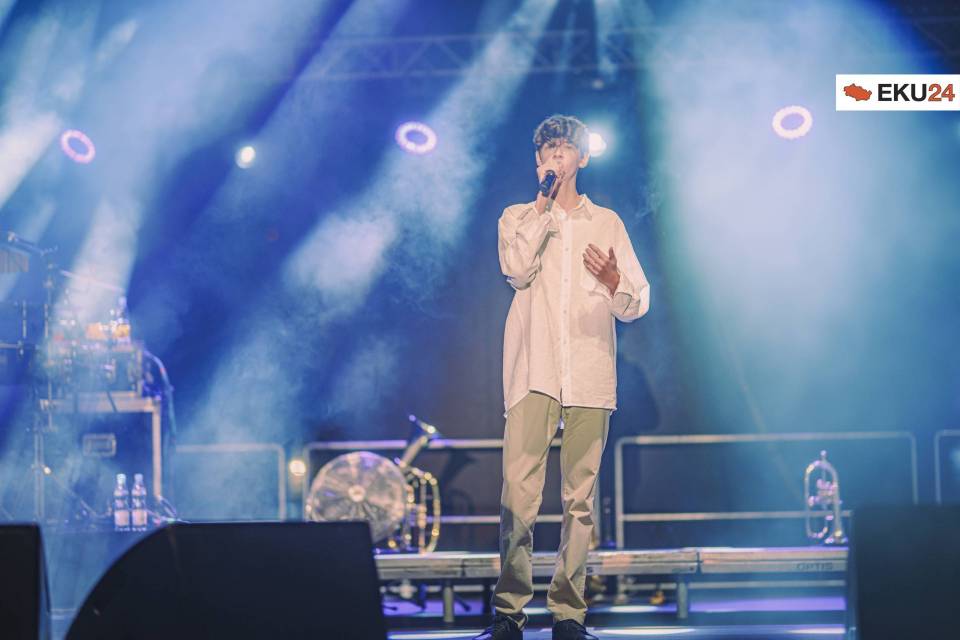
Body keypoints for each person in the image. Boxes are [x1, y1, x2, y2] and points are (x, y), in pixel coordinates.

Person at [474, 115, 650, 640]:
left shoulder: (607, 223)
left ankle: (569, 615)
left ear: (583, 157)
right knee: (517, 496)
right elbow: (517, 271)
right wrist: (543, 207)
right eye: (548, 148)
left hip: (590, 374)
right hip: (534, 371)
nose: (556, 154)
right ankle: (509, 612)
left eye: (565, 147)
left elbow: (637, 301)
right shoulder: (517, 217)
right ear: (538, 161)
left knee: (580, 500)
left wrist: (614, 281)